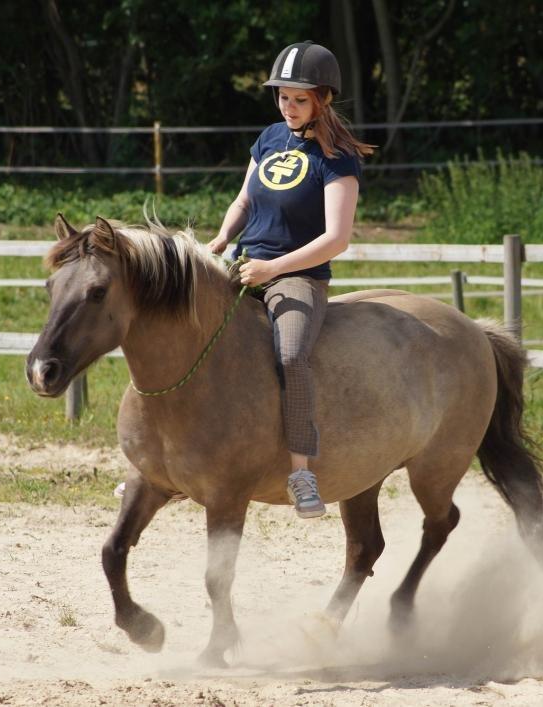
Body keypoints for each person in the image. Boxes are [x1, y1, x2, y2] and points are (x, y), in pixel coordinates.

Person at [207, 41, 375, 519]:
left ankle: (301, 471)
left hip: (296, 277)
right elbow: (243, 202)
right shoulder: (268, 139)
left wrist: (273, 270)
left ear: (322, 98)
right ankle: (168, 458)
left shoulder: (338, 157)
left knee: (291, 355)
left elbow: (337, 238)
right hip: (244, 265)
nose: (288, 106)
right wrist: (222, 239)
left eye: (299, 99)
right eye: (282, 97)